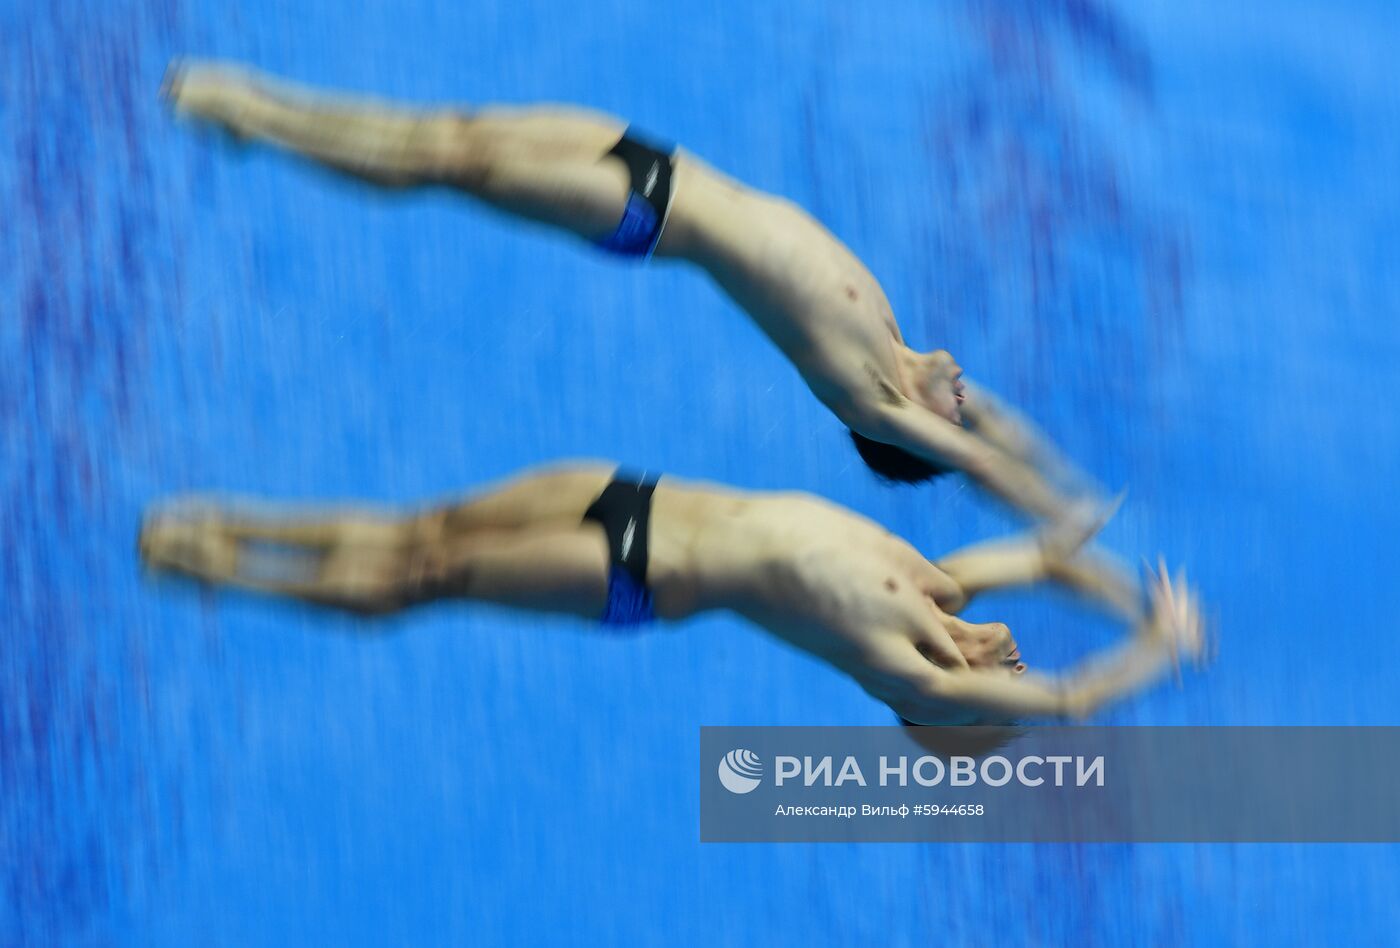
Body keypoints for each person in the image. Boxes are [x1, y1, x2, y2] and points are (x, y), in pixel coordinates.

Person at [161, 61, 1100, 522]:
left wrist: (1057, 519)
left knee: (448, 163)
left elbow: (981, 459)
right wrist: (1071, 477)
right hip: (654, 156)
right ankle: (264, 106)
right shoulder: (895, 337)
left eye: (959, 412)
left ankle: (259, 122)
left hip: (643, 216)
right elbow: (1002, 434)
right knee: (447, 128)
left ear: (911, 433)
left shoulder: (869, 394)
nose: (972, 392)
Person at [139, 462, 1204, 724]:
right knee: (434, 526)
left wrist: (1154, 648)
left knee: (432, 578)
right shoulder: (942, 590)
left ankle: (221, 572)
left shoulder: (902, 660)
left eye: (1013, 665)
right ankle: (236, 518)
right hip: (635, 492)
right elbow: (1043, 555)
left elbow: (1062, 704)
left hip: (638, 574)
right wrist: (1115, 581)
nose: (1019, 649)